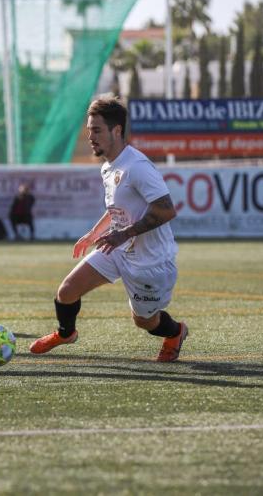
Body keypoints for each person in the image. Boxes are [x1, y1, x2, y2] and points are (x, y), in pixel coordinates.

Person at [29, 96, 188, 362]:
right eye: (89, 130)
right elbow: (117, 207)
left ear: (117, 130)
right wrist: (93, 233)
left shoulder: (137, 167)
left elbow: (166, 210)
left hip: (150, 261)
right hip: (117, 249)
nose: (91, 137)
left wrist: (123, 234)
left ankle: (176, 332)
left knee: (145, 322)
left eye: (97, 130)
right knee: (67, 291)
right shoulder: (108, 167)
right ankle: (66, 333)